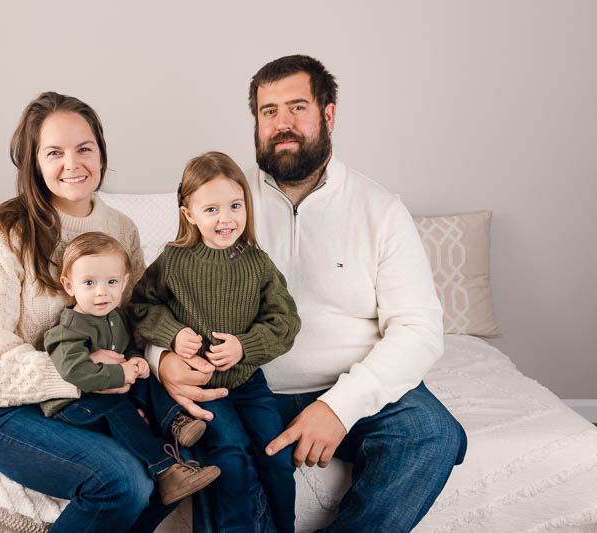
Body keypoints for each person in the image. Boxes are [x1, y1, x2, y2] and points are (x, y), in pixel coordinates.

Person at [148, 56, 468, 532]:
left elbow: (419, 329)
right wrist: (162, 360)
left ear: (328, 115)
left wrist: (338, 407)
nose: (282, 124)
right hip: (244, 387)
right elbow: (157, 298)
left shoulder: (379, 209)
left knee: (433, 434)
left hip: (350, 384)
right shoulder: (222, 202)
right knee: (218, 456)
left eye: (297, 107)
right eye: (268, 111)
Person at [0, 92, 176, 532]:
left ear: (101, 152)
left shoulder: (120, 228)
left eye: (84, 148)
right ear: (34, 162)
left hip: (98, 398)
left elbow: (133, 319)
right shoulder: (5, 235)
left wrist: (156, 360)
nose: (72, 163)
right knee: (123, 482)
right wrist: (83, 371)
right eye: (54, 152)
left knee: (180, 466)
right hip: (9, 410)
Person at [129, 151, 301, 533]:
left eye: (235, 206)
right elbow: (141, 305)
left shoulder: (257, 264)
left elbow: (285, 321)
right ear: (188, 213)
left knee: (276, 455)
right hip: (202, 388)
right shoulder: (173, 261)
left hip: (248, 382)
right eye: (211, 209)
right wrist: (173, 334)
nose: (226, 219)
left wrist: (245, 346)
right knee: (232, 455)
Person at [39, 231, 220, 506]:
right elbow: (74, 372)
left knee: (148, 378)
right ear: (69, 285)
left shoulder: (116, 317)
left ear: (124, 283)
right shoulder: (68, 330)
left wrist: (135, 360)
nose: (102, 292)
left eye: (111, 282)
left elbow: (128, 347)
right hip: (74, 407)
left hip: (110, 390)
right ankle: (166, 471)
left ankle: (176, 421)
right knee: (117, 409)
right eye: (89, 283)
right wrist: (121, 373)